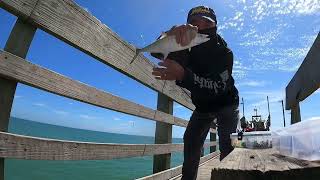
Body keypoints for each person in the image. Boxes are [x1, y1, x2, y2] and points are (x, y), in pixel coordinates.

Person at [151, 5, 239, 180]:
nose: (200, 27)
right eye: (194, 23)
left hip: (227, 102)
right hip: (203, 105)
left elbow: (216, 87)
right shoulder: (184, 47)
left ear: (215, 27)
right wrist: (169, 35)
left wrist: (184, 75)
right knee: (191, 140)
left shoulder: (225, 53)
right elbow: (156, 52)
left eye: (206, 23)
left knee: (227, 146)